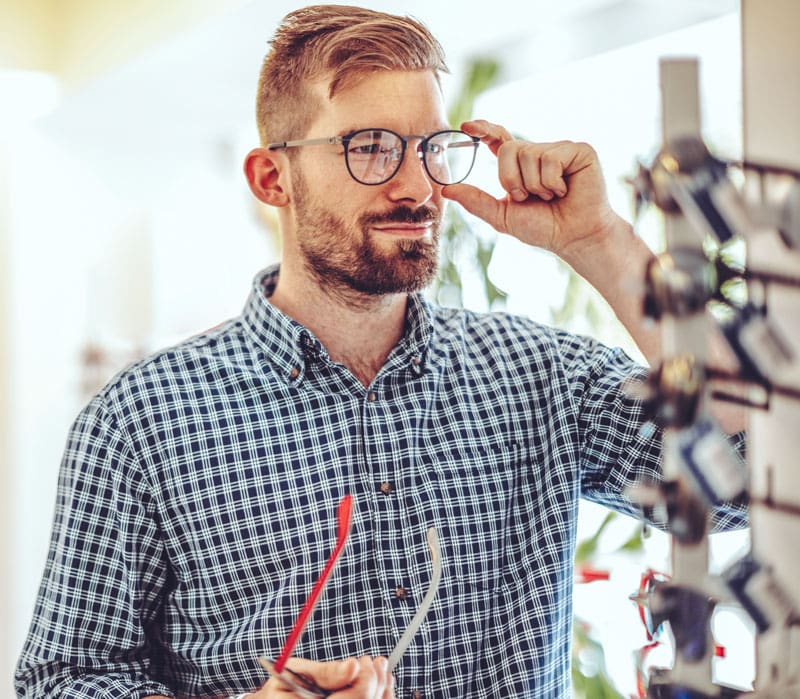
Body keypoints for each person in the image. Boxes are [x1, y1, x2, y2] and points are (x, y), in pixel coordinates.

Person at [15, 5, 746, 699]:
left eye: (431, 147)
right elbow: (65, 678)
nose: (415, 184)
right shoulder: (142, 420)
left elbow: (744, 483)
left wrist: (602, 245)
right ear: (273, 178)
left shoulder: (542, 376)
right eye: (369, 146)